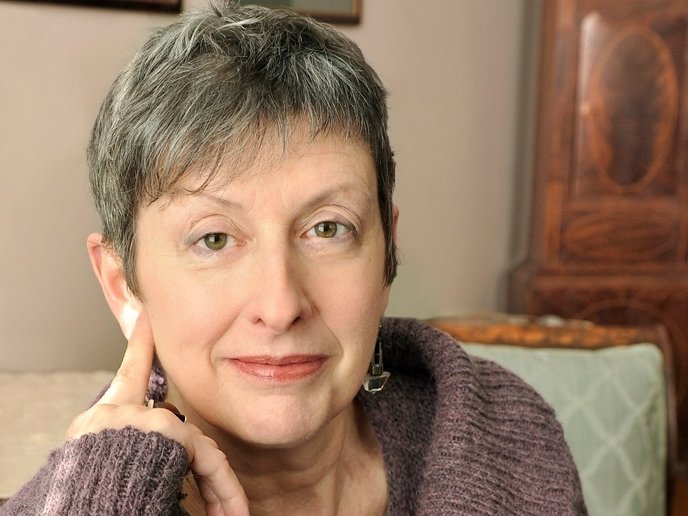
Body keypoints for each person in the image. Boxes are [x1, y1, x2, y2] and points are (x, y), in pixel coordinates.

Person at [1, 3, 587, 515]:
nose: (281, 307)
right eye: (214, 239)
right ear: (122, 283)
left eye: (327, 229)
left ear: (388, 251)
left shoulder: (512, 446)